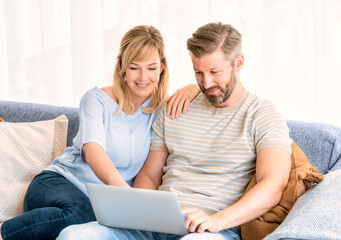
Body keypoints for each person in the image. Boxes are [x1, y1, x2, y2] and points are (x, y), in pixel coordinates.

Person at [57, 22, 293, 240]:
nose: (206, 83)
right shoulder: (175, 109)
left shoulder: (263, 115)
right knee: (74, 235)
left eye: (215, 72)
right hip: (156, 222)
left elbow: (272, 185)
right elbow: (149, 176)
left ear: (238, 63)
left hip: (210, 229)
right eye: (198, 73)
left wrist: (216, 220)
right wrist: (137, 213)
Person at [0, 25, 200, 240]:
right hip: (59, 184)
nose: (144, 77)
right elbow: (93, 149)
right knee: (82, 213)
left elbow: (207, 92)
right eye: (135, 67)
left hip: (103, 203)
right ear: (123, 67)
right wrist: (125, 194)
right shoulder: (95, 99)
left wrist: (193, 87)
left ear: (162, 67)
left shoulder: (160, 110)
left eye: (151, 68)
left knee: (94, 222)